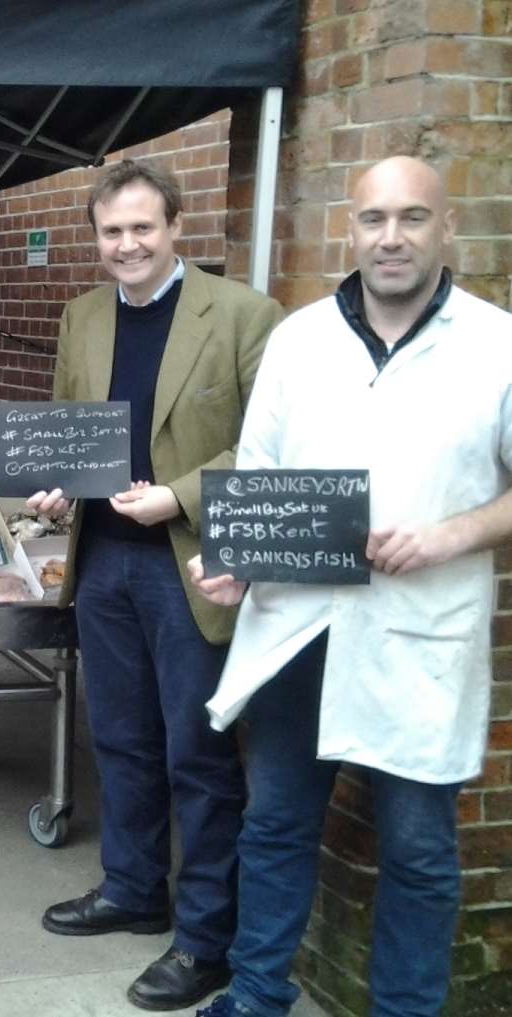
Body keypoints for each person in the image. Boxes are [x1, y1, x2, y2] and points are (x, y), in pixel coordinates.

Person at [188, 156, 512, 1017]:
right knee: (277, 823)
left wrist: (451, 533)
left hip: (418, 628)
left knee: (417, 849)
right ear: (352, 228)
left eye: (413, 217)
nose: (392, 237)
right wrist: (234, 559)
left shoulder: (497, 344)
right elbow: (259, 474)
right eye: (374, 219)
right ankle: (258, 995)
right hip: (300, 625)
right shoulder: (300, 340)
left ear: (448, 229)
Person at [26, 160, 284, 1011]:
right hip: (101, 557)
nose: (127, 245)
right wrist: (58, 479)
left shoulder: (244, 315)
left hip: (192, 562)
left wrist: (181, 494)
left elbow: (274, 444)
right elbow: (71, 426)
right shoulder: (84, 315)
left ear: (174, 225)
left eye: (142, 227)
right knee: (122, 738)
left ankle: (206, 939)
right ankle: (133, 889)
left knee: (199, 754)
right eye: (111, 232)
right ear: (96, 239)